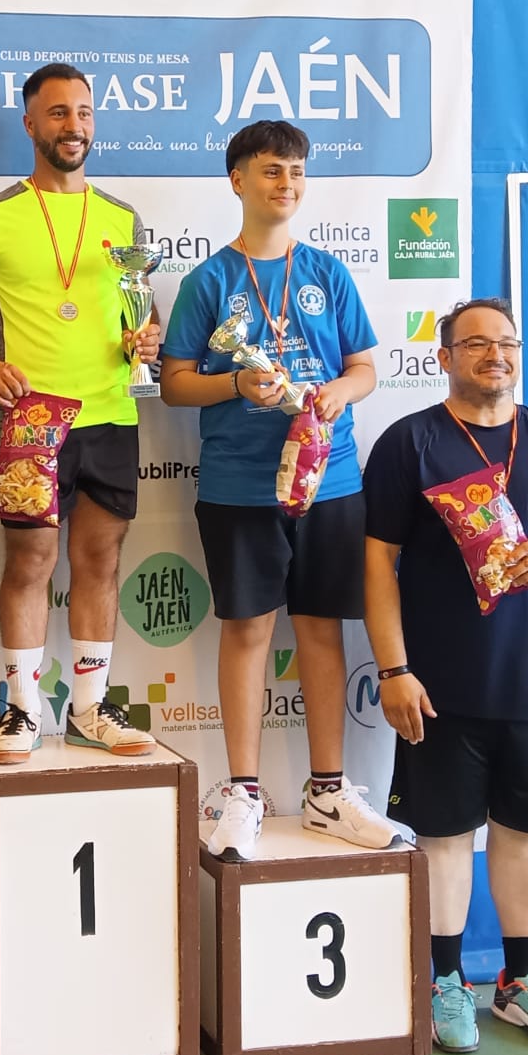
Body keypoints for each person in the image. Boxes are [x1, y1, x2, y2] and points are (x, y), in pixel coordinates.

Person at [361, 298, 528, 1055]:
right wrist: (393, 668)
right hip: (440, 686)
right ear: (443, 357)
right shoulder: (411, 442)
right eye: (476, 343)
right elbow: (377, 562)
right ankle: (447, 981)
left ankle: (520, 982)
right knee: (445, 836)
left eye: (506, 342)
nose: (495, 355)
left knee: (523, 832)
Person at [159, 118, 400, 860]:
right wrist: (236, 385)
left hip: (331, 482)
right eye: (271, 170)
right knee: (248, 631)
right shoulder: (209, 281)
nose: (286, 184)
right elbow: (174, 384)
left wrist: (337, 394)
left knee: (322, 629)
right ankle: (243, 792)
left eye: (296, 172)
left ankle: (327, 792)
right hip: (240, 489)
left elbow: (365, 367)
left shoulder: (327, 271)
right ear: (237, 180)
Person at [0, 61, 162, 762]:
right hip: (31, 421)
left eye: (84, 113)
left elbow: (142, 314)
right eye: (59, 113)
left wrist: (146, 338)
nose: (74, 126)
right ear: (30, 123)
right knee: (31, 560)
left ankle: (91, 709)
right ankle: (23, 712)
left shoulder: (123, 219)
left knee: (100, 559)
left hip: (112, 415)